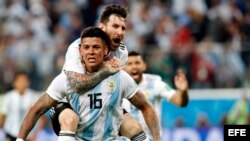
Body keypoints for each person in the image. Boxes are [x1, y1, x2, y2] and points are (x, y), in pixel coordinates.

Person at [16, 27, 160, 141]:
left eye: (96, 47)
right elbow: (36, 109)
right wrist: (20, 140)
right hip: (73, 128)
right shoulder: (68, 78)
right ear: (80, 50)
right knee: (69, 118)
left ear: (105, 50)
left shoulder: (120, 77)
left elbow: (146, 106)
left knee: (134, 126)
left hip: (106, 134)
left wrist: (157, 139)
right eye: (86, 47)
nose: (90, 52)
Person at [51, 4, 146, 141]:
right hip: (70, 103)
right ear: (102, 27)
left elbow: (116, 85)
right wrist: (105, 71)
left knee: (134, 127)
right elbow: (77, 86)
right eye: (115, 27)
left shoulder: (122, 53)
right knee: (69, 120)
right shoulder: (76, 48)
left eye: (122, 28)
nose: (119, 32)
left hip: (98, 102)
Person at [122, 51, 189, 140]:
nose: (134, 66)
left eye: (137, 63)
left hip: (152, 138)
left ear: (144, 66)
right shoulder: (119, 85)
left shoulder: (155, 83)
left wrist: (183, 91)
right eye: (129, 64)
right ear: (123, 68)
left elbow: (180, 102)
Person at [0, 71, 46, 141]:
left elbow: (42, 119)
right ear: (14, 83)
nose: (22, 83)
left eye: (24, 81)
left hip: (28, 136)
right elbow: (2, 118)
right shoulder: (8, 97)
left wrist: (36, 134)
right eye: (20, 81)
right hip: (10, 134)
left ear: (28, 82)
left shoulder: (34, 97)